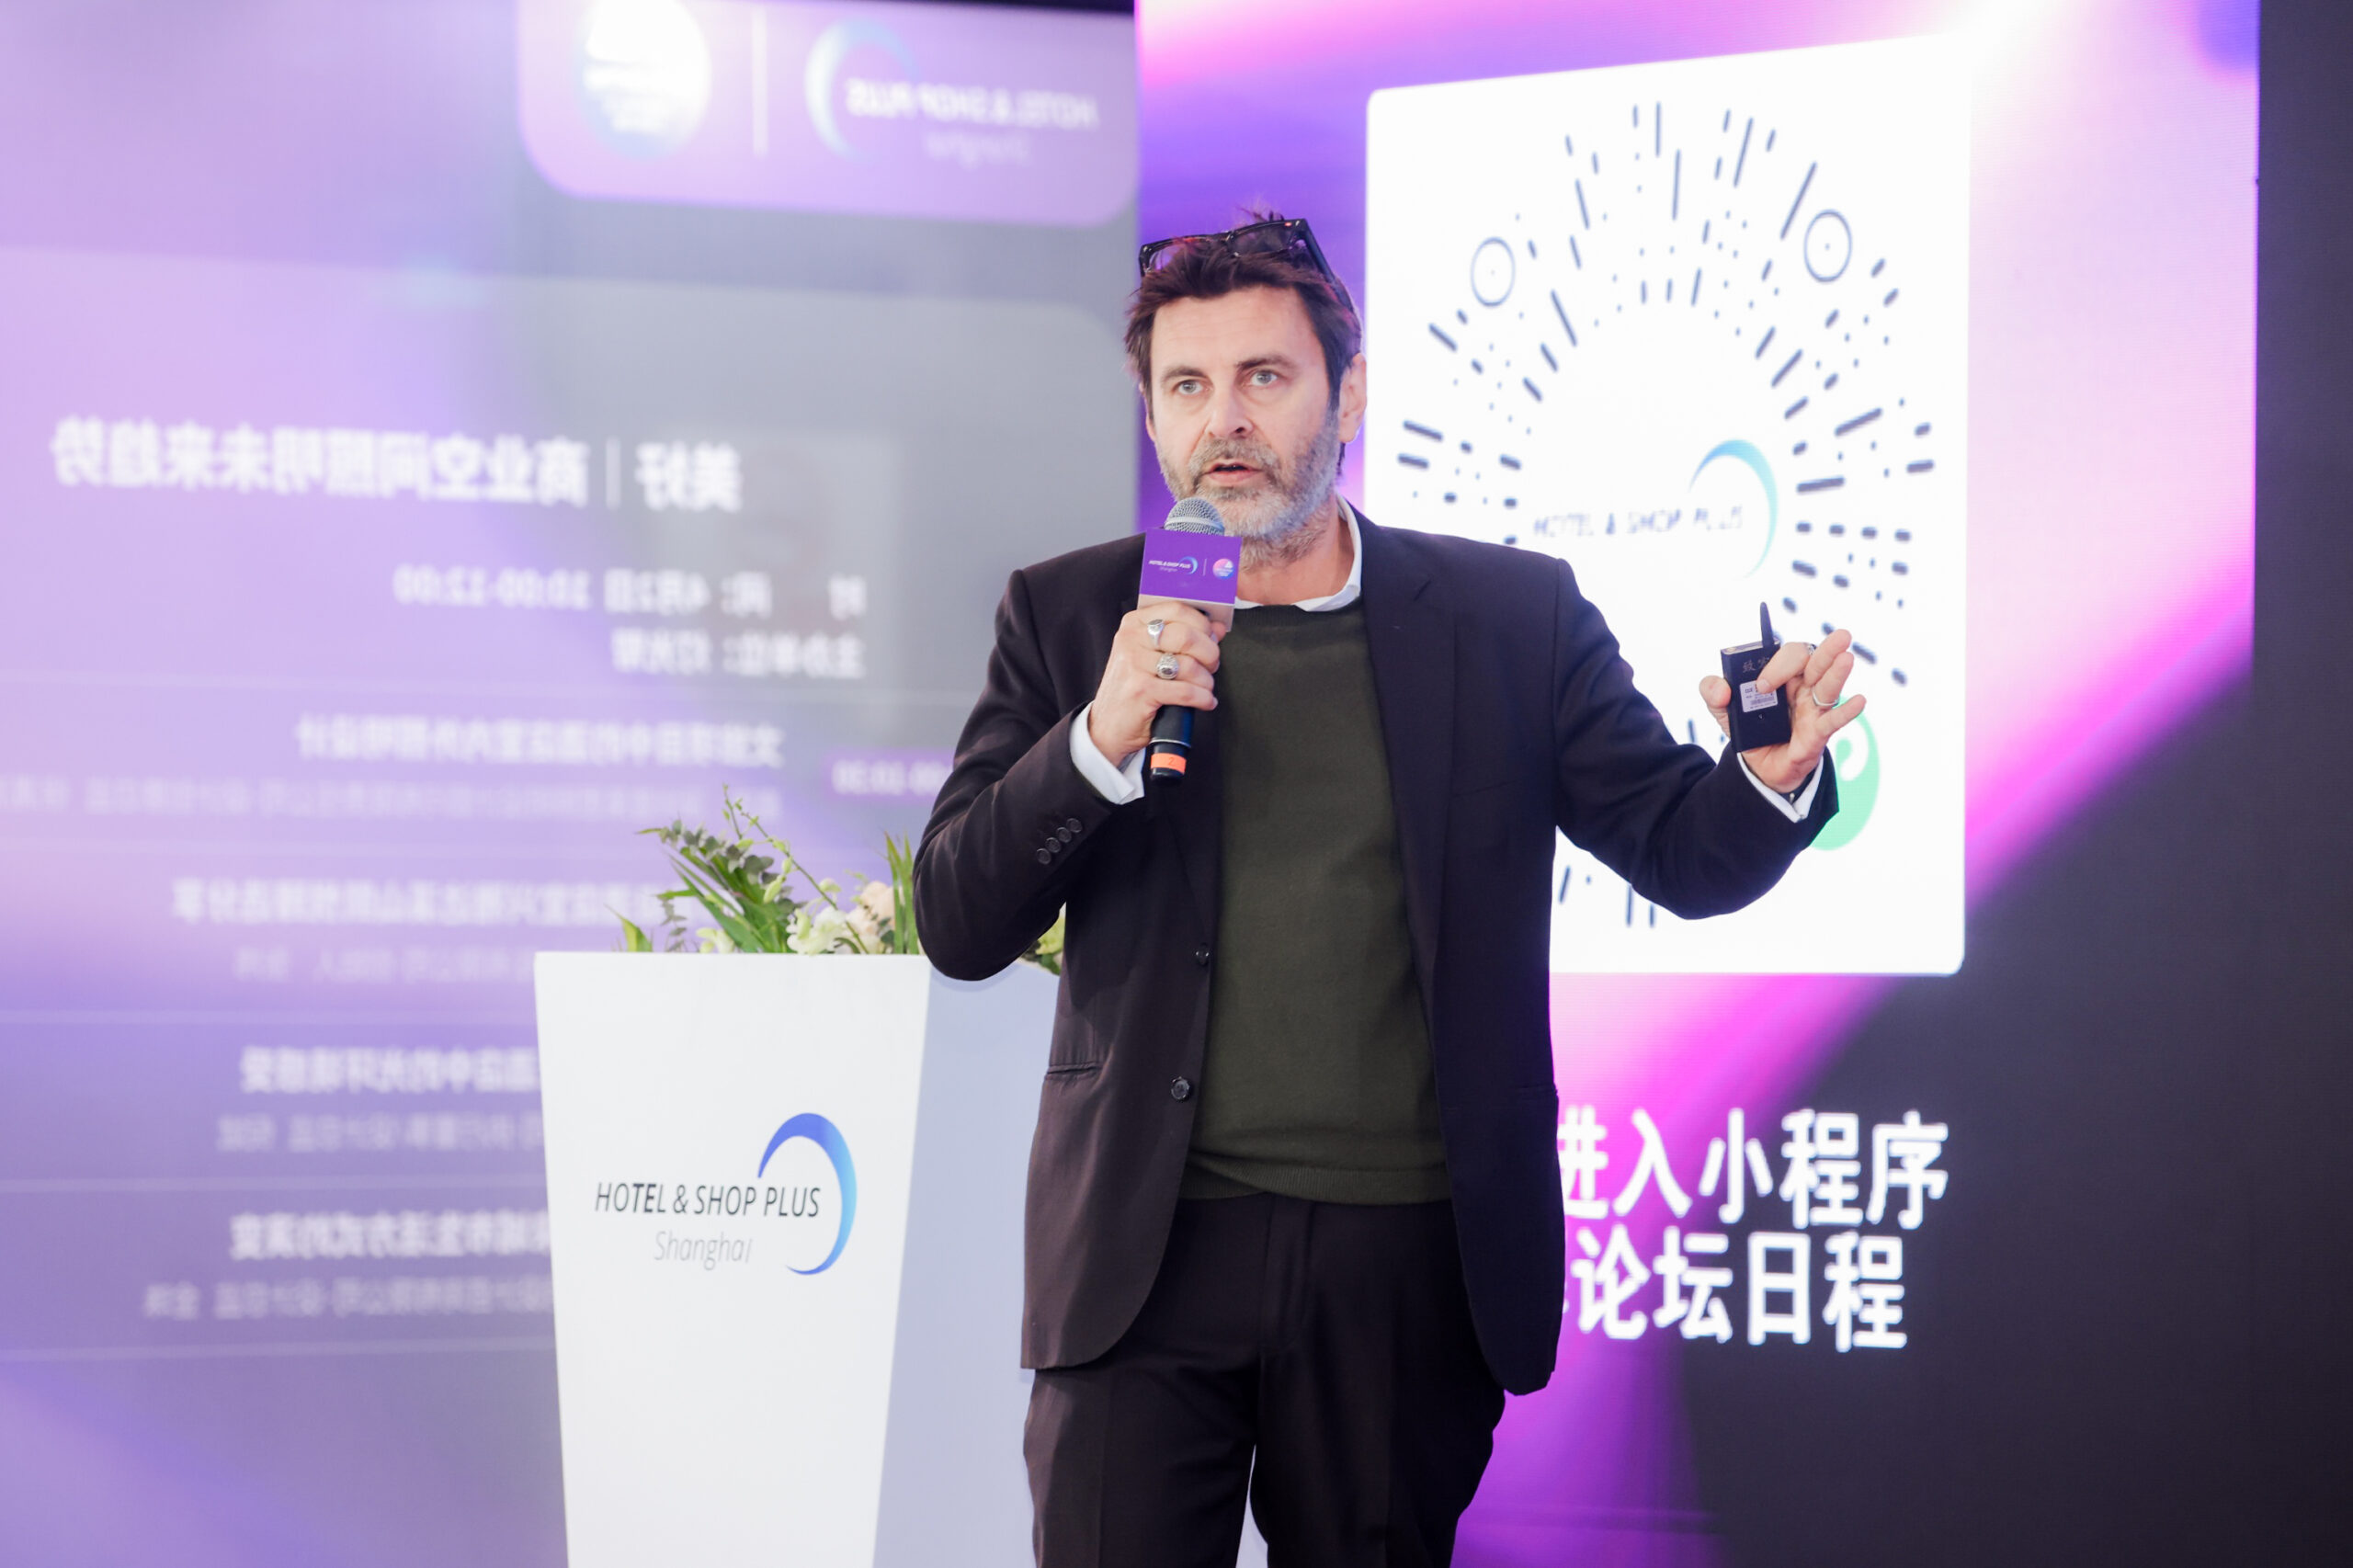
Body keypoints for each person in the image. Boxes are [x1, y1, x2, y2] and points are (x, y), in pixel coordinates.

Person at [914, 214, 1862, 1568]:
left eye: (1264, 377)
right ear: (1152, 414)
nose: (1224, 421)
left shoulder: (1508, 620)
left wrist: (1766, 777)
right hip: (1143, 1253)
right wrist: (1098, 739)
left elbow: (1678, 846)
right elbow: (959, 918)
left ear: (1347, 392)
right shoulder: (1073, 621)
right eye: (1187, 386)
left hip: (1402, 1257)